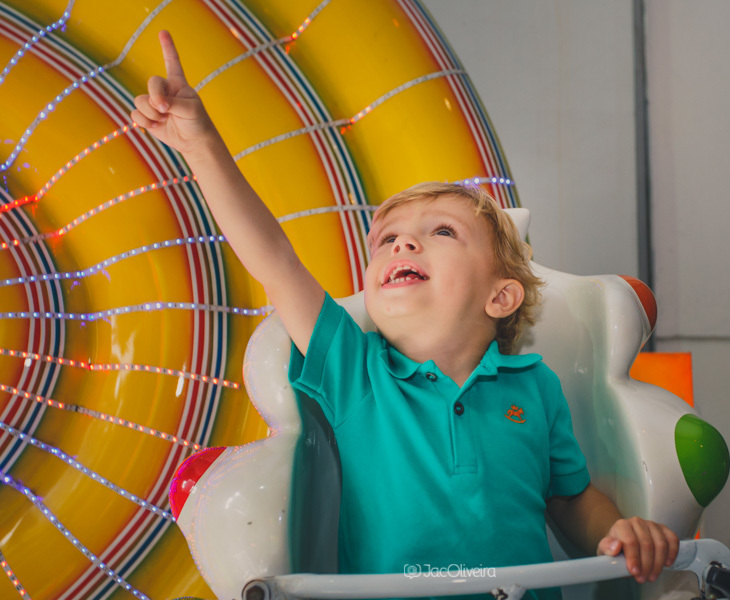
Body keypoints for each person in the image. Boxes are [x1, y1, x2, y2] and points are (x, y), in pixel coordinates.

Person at [132, 30, 680, 597]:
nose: (401, 246)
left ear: (501, 296)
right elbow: (272, 259)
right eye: (386, 239)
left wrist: (620, 532)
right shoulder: (353, 370)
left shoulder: (536, 386)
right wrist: (201, 148)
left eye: (441, 232)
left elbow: (568, 499)